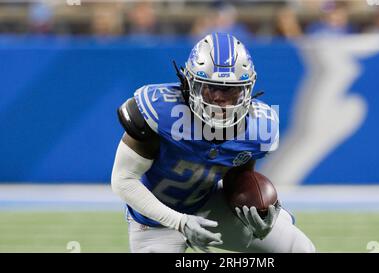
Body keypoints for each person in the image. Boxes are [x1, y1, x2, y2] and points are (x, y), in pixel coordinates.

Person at [111, 32, 315, 253]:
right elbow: (123, 181)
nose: (219, 98)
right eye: (211, 87)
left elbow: (237, 179)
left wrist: (261, 213)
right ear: (189, 84)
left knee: (299, 247)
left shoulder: (258, 127)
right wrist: (180, 222)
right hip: (154, 221)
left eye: (230, 89)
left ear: (247, 89)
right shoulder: (159, 111)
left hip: (206, 206)